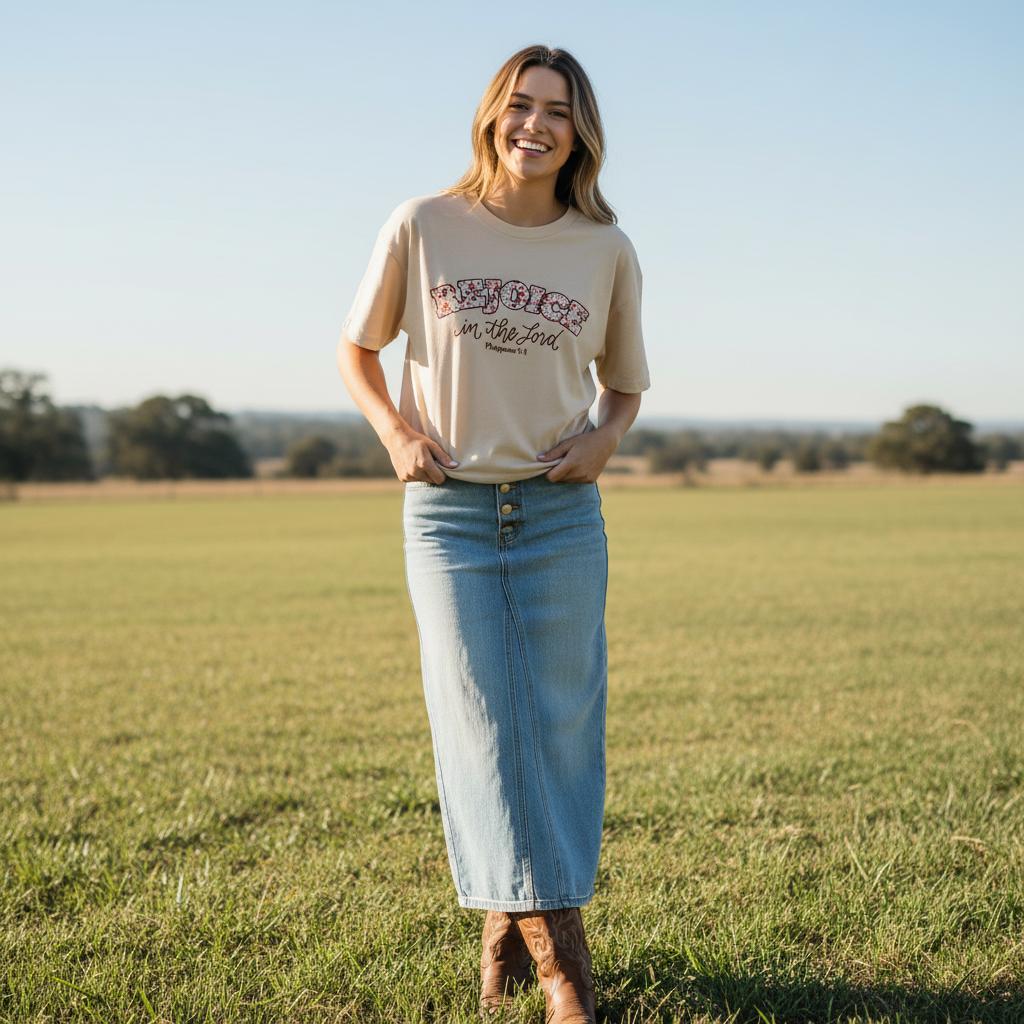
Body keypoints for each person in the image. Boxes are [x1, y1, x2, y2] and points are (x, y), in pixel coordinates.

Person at [336, 43, 650, 1023]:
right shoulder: (423, 225)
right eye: (520, 105)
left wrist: (603, 440)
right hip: (450, 513)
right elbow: (357, 347)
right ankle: (565, 970)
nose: (535, 124)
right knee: (478, 729)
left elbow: (626, 383)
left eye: (558, 110)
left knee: (557, 731)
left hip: (559, 513)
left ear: (579, 132)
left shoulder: (603, 248)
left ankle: (500, 927)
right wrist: (394, 431)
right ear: (489, 118)